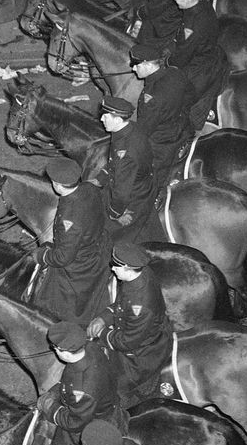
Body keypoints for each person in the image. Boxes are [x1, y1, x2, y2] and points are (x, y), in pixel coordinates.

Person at [37, 321, 124, 445]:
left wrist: (49, 407)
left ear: (64, 352)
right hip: (99, 401)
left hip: (93, 422)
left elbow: (75, 422)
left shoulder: (83, 387)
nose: (54, 350)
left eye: (56, 348)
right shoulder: (91, 348)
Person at [88, 243, 172, 405]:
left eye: (116, 267)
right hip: (139, 331)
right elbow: (121, 305)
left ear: (127, 267)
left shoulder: (141, 305)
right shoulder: (139, 274)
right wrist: (103, 318)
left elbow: (127, 342)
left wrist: (101, 333)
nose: (112, 269)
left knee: (111, 387)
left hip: (142, 353)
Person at [34, 158, 111, 323]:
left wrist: (41, 255)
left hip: (83, 264)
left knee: (48, 300)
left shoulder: (69, 219)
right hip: (99, 242)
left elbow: (63, 258)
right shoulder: (89, 188)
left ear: (57, 185)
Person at [130, 38, 195, 188]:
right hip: (183, 127)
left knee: (137, 179)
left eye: (136, 65)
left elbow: (144, 131)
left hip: (161, 142)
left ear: (147, 64)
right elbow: (191, 95)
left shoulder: (152, 96)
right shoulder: (175, 73)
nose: (133, 69)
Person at [169, 0, 228, 129]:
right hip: (210, 54)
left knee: (176, 100)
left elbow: (186, 51)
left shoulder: (194, 22)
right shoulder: (203, 7)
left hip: (199, 66)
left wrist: (169, 63)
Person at [98, 95, 156, 240]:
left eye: (105, 117)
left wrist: (115, 215)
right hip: (140, 181)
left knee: (104, 233)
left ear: (117, 120)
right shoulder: (130, 128)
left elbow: (122, 193)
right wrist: (101, 177)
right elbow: (114, 163)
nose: (101, 119)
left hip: (133, 197)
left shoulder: (126, 152)